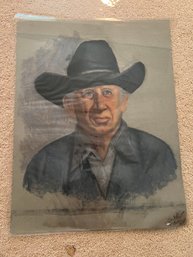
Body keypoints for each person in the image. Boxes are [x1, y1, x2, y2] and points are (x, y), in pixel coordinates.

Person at [23, 40, 177, 203]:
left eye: (107, 92)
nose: (100, 106)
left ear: (123, 102)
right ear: (70, 106)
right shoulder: (44, 164)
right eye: (88, 94)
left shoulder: (157, 155)